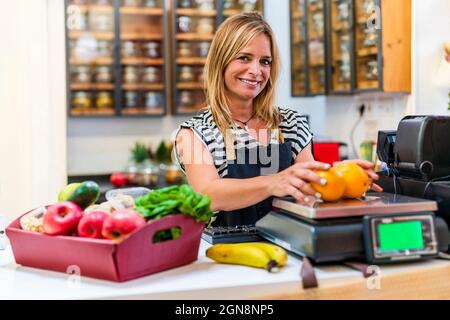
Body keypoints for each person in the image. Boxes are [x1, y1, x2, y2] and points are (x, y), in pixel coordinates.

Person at [174, 12, 381, 227]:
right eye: (244, 57)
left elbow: (313, 185)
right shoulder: (195, 133)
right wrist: (274, 182)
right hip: (227, 250)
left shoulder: (290, 123)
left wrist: (340, 174)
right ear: (221, 61)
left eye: (265, 61)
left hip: (287, 243)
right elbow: (207, 195)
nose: (256, 71)